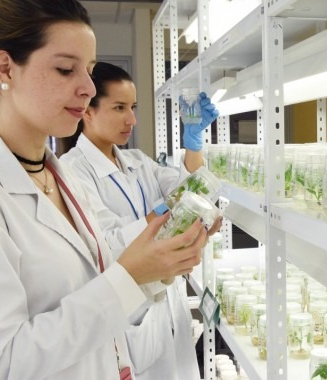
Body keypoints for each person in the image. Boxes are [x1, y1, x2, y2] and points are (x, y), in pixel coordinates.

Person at [0, 1, 208, 379]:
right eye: (66, 69)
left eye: (90, 72)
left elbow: (92, 290)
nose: (88, 88)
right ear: (5, 68)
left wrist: (157, 268)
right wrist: (130, 276)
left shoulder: (61, 178)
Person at [59, 62, 221, 379]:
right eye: (119, 107)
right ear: (87, 111)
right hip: (129, 316)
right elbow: (108, 242)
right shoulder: (72, 170)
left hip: (168, 310)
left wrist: (193, 144)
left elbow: (189, 188)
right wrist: (173, 213)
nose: (131, 119)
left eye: (132, 107)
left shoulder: (136, 161)